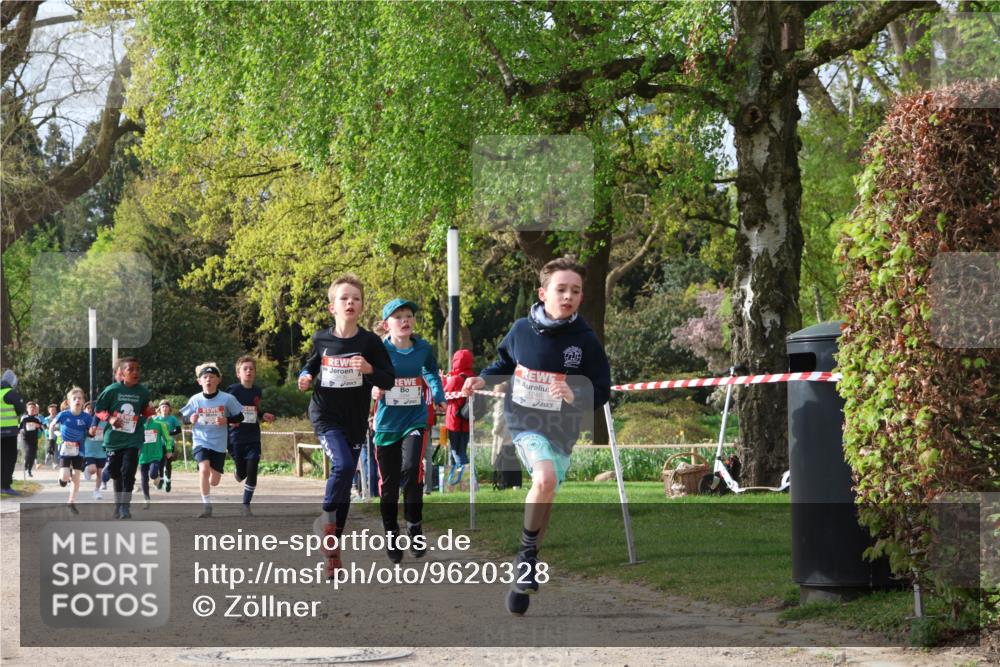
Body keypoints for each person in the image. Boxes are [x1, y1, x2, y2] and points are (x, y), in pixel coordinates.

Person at [462, 257, 611, 615]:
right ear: (543, 293)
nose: (569, 296)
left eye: (576, 290)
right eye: (561, 289)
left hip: (562, 431)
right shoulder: (521, 330)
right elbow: (503, 363)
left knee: (545, 498)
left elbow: (603, 390)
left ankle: (525, 565)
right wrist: (482, 379)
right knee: (543, 479)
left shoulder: (585, 340)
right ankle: (526, 557)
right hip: (524, 421)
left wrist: (576, 394)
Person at [298, 274, 394, 577]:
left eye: (356, 298)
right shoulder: (321, 338)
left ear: (362, 307)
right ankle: (325, 523)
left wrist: (368, 369)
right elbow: (313, 362)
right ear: (332, 307)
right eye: (344, 298)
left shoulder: (370, 342)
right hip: (326, 414)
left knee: (347, 473)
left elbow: (388, 379)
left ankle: (333, 552)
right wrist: (305, 375)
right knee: (341, 466)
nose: (350, 302)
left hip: (355, 419)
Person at [372, 298, 446, 563]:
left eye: (409, 316)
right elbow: (366, 377)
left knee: (413, 468)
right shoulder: (378, 351)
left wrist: (438, 394)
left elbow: (431, 372)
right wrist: (374, 388)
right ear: (386, 325)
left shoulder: (422, 348)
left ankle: (414, 525)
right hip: (386, 424)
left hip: (414, 419)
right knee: (389, 486)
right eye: (398, 316)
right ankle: (391, 531)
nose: (405, 320)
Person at [181, 363, 244, 518]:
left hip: (219, 444)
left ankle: (207, 487)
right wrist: (190, 419)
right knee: (203, 469)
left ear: (218, 380)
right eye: (205, 377)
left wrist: (226, 420)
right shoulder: (195, 400)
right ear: (199, 381)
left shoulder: (227, 398)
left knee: (214, 481)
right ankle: (206, 506)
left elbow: (240, 416)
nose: (208, 379)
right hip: (200, 441)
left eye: (212, 377)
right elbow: (182, 418)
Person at [95, 357, 154, 519]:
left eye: (138, 369)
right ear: (122, 373)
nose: (136, 372)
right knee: (116, 472)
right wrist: (111, 419)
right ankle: (118, 504)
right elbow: (98, 410)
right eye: (131, 369)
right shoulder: (112, 390)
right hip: (113, 440)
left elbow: (145, 412)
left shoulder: (143, 392)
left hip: (133, 438)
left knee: (128, 471)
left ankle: (125, 507)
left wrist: (150, 411)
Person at [227, 356, 276, 516]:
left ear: (255, 373)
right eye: (245, 369)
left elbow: (253, 410)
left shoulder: (257, 391)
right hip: (235, 438)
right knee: (242, 474)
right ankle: (238, 472)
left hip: (253, 436)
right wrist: (230, 421)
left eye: (251, 369)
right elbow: (224, 410)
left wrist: (263, 415)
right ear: (238, 373)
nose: (248, 371)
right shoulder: (233, 390)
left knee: (253, 467)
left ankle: (246, 505)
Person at [50, 387, 97, 514]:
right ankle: (63, 478)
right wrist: (51, 442)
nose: (77, 400)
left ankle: (71, 502)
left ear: (83, 401)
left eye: (79, 398)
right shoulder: (63, 414)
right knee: (65, 476)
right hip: (65, 448)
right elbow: (51, 425)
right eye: (74, 398)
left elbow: (91, 432)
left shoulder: (87, 417)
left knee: (76, 476)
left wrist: (91, 433)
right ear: (69, 401)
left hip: (79, 449)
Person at [444, 348, 474, 470]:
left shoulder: (455, 379)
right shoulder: (473, 378)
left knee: (456, 451)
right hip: (468, 421)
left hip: (454, 421)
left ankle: (465, 479)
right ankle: (468, 480)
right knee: (462, 450)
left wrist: (444, 380)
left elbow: (444, 393)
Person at [138, 415, 173, 509]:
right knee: (143, 479)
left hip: (155, 455)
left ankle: (157, 476)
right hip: (142, 456)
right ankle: (146, 499)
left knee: (153, 474)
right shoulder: (138, 425)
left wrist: (169, 449)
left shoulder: (160, 424)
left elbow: (168, 438)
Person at [1, 369, 26, 495]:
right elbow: (21, 409)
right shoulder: (11, 393)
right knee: (9, 459)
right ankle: (5, 486)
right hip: (9, 432)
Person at [151, 400, 183, 492]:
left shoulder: (172, 419)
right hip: (158, 444)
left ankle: (168, 481)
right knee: (160, 463)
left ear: (169, 409)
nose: (165, 408)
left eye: (166, 407)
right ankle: (161, 480)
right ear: (159, 409)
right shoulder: (156, 419)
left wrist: (168, 433)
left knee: (168, 463)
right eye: (163, 407)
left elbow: (178, 430)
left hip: (169, 444)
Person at [81, 402, 107, 499]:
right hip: (89, 450)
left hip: (101, 450)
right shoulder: (87, 421)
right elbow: (82, 434)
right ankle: (87, 469)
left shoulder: (105, 422)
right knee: (93, 470)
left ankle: (96, 491)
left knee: (100, 473)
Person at [18, 401, 43, 478]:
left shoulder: (37, 418)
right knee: (28, 451)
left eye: (33, 408)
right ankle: (25, 467)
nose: (32, 409)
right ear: (27, 409)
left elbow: (42, 429)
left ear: (35, 409)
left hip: (34, 438)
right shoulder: (24, 417)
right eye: (30, 408)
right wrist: (20, 432)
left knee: (32, 455)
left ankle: (29, 470)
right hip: (25, 438)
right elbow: (20, 427)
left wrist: (37, 425)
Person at [43, 403, 58, 468]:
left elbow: (59, 426)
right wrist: (53, 427)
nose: (52, 411)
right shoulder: (46, 419)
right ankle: (50, 461)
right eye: (51, 410)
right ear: (49, 410)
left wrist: (52, 427)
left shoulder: (58, 417)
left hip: (57, 436)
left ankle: (54, 462)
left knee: (56, 450)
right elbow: (47, 426)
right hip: (48, 436)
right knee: (50, 447)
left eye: (54, 410)